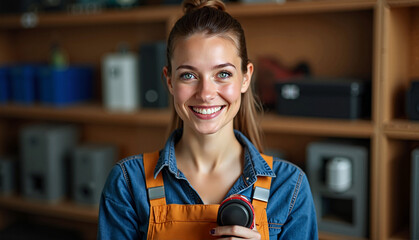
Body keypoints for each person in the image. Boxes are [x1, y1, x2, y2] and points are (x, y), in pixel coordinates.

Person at [97, 0, 318, 239]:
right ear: (170, 81)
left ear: (245, 78)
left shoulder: (289, 187)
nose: (205, 93)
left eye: (223, 74)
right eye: (189, 75)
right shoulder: (128, 183)